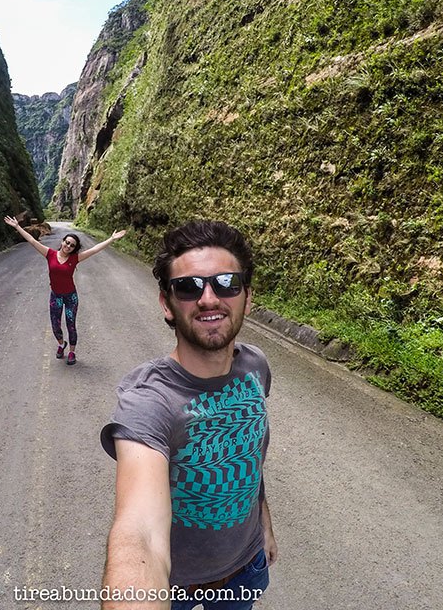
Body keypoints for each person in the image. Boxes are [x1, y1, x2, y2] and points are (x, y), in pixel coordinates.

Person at [100, 220, 276, 610]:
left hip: (246, 569)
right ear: (167, 304)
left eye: (227, 283)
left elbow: (249, 454)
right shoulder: (149, 401)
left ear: (247, 297)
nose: (209, 298)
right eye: (189, 287)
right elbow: (140, 531)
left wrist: (263, 521)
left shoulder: (256, 366)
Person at [3, 215, 127, 365]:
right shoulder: (50, 254)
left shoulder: (75, 259)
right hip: (56, 296)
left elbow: (94, 249)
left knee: (70, 324)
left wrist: (111, 239)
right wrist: (17, 226)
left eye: (72, 245)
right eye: (67, 242)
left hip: (70, 298)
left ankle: (72, 352)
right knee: (55, 325)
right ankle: (62, 344)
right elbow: (32, 240)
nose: (68, 246)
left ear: (74, 249)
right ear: (62, 242)